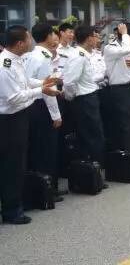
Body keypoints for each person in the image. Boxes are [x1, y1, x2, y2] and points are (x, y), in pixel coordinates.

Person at [0, 26, 59, 225]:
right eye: (28, 39)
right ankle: (11, 210)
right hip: (10, 121)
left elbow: (25, 81)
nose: (31, 41)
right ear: (19, 43)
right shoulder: (5, 65)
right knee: (12, 165)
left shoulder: (15, 60)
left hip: (19, 118)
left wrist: (43, 82)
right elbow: (14, 97)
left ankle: (14, 203)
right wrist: (41, 90)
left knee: (18, 163)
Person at [24, 23, 64, 202]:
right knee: (48, 149)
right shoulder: (44, 57)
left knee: (36, 149)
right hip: (43, 106)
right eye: (53, 35)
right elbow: (48, 90)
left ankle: (38, 187)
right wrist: (56, 115)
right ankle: (49, 190)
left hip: (30, 106)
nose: (55, 38)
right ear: (48, 37)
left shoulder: (29, 56)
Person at [62, 26, 107, 168]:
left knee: (93, 134)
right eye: (95, 36)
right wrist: (71, 97)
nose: (97, 39)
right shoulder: (78, 57)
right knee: (91, 136)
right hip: (84, 100)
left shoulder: (84, 55)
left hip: (89, 98)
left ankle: (94, 170)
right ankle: (92, 169)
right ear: (89, 39)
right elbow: (69, 82)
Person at [103, 23, 130, 153]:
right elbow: (124, 50)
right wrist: (125, 33)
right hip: (118, 90)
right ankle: (128, 153)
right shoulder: (110, 48)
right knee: (124, 123)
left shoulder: (129, 48)